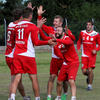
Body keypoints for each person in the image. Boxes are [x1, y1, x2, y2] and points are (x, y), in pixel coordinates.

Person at [10, 7, 55, 100]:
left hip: (17, 55)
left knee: (17, 78)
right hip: (28, 55)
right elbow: (36, 42)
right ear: (30, 16)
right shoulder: (32, 26)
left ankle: (12, 97)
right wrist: (48, 42)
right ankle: (37, 98)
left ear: (22, 16)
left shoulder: (16, 26)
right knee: (34, 79)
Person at [37, 5, 75, 100]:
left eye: (56, 21)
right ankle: (49, 97)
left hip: (64, 59)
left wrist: (68, 34)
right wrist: (39, 16)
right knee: (52, 77)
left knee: (65, 81)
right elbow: (41, 25)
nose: (54, 23)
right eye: (53, 21)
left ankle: (65, 94)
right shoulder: (50, 30)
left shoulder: (65, 31)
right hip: (54, 59)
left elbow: (72, 39)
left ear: (61, 23)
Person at [5, 9, 31, 100]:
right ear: (21, 17)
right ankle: (10, 98)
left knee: (18, 80)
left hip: (7, 55)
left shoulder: (10, 25)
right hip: (13, 56)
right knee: (14, 80)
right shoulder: (18, 27)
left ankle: (24, 97)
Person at [53, 26, 79, 100]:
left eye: (59, 30)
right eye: (56, 30)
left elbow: (69, 42)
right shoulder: (57, 42)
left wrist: (57, 40)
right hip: (65, 62)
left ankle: (73, 98)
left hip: (73, 62)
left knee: (71, 80)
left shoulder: (66, 38)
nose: (57, 31)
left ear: (63, 33)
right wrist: (54, 45)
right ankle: (58, 97)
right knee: (58, 82)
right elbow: (58, 54)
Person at [77, 20, 100, 91]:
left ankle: (89, 85)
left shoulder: (96, 34)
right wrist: (78, 48)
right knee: (84, 71)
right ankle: (90, 76)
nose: (88, 26)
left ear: (92, 26)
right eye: (87, 24)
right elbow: (79, 41)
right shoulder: (82, 32)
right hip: (84, 55)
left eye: (90, 25)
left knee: (90, 70)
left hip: (92, 55)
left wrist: (96, 50)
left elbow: (99, 44)